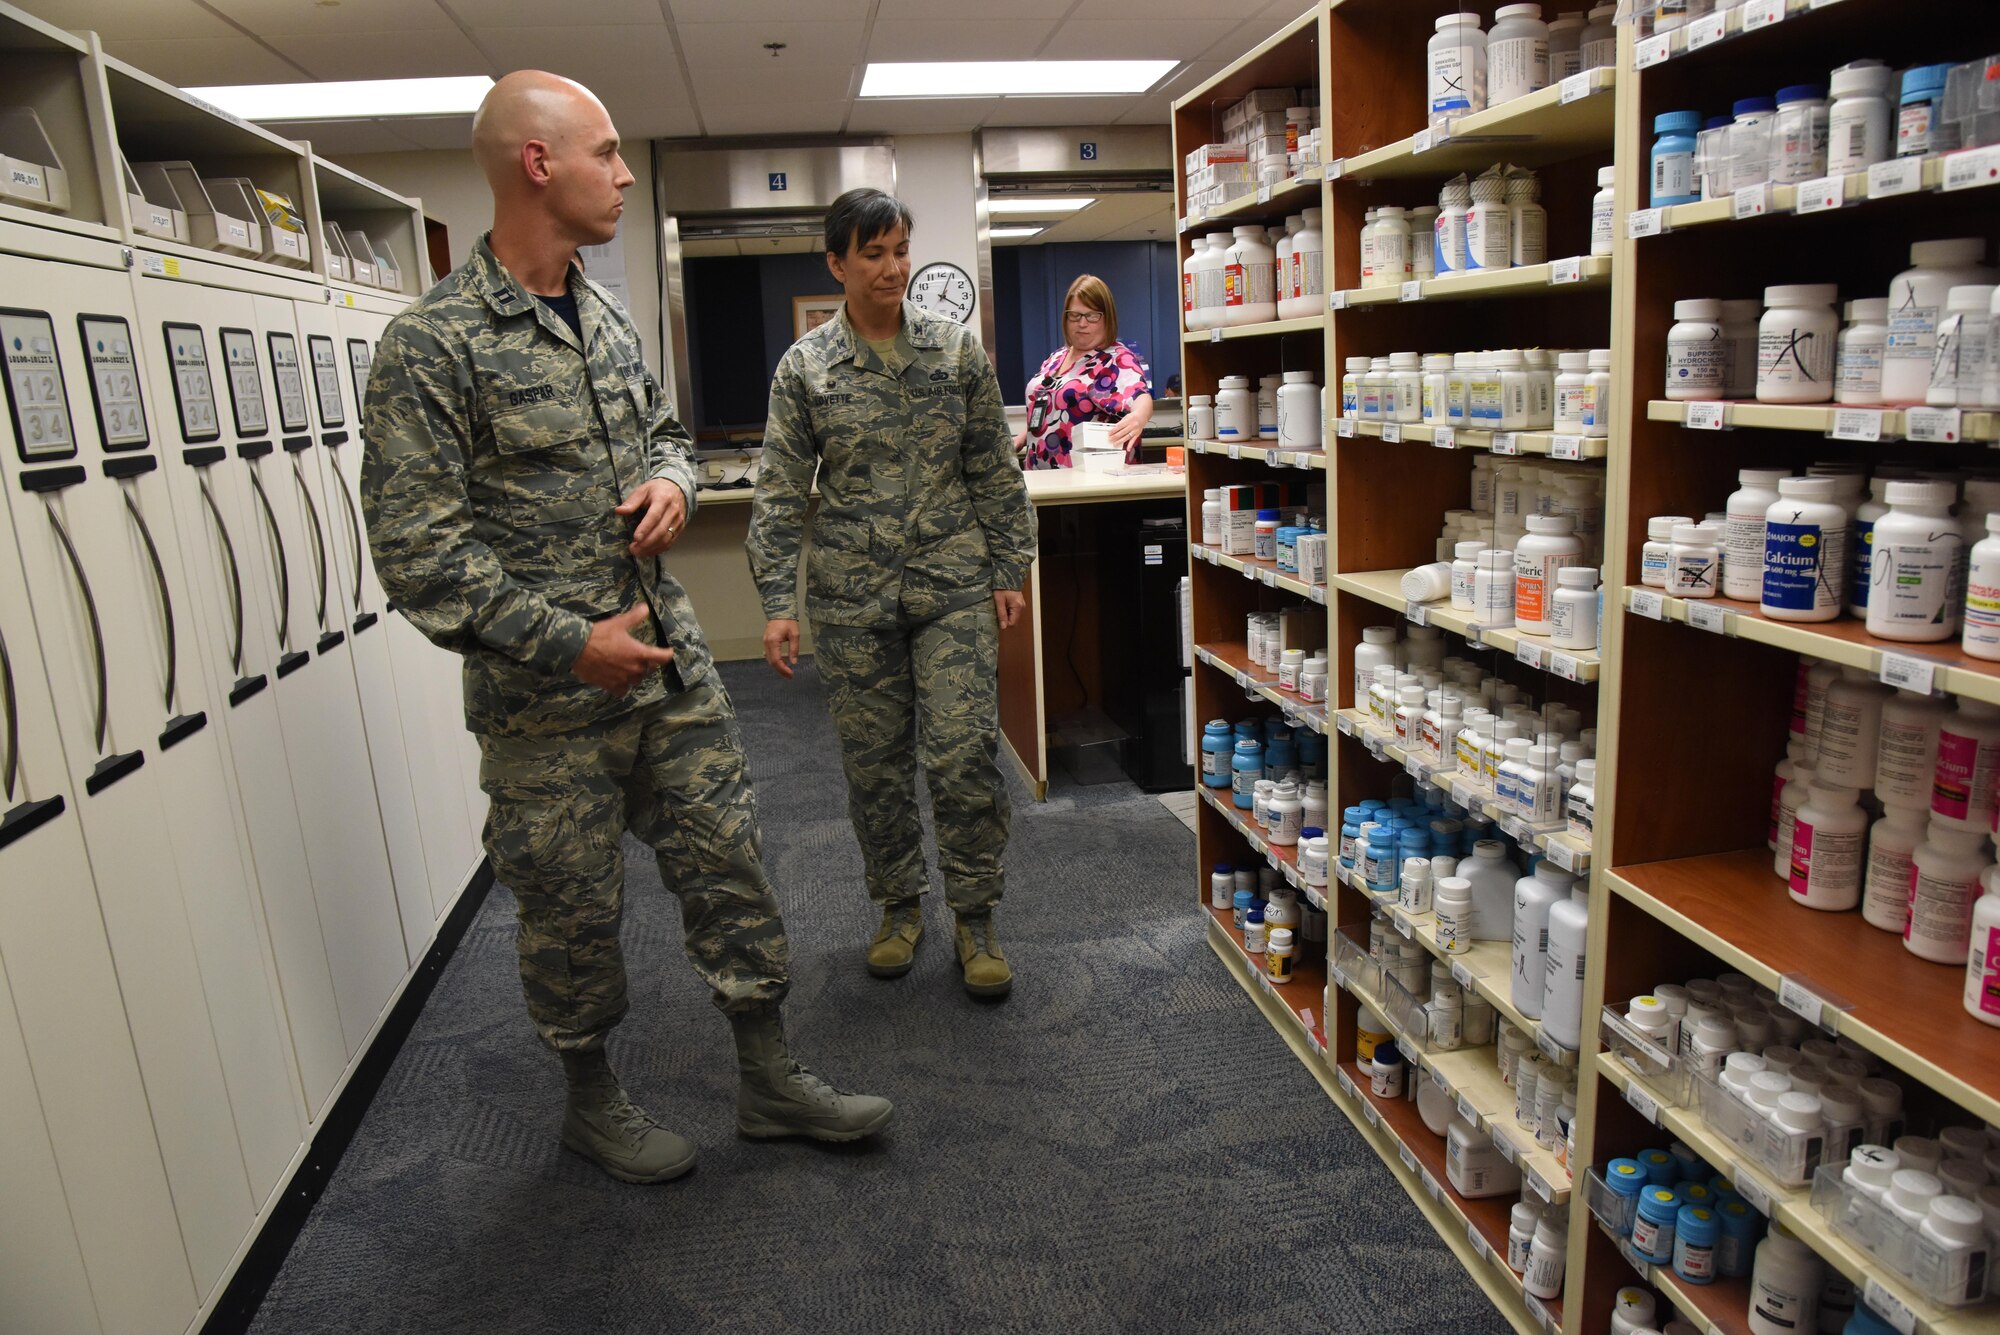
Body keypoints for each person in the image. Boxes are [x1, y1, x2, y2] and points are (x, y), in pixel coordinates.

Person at [360, 71, 890, 1186]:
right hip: (547, 701)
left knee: (730, 863)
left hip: (669, 668)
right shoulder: (431, 345)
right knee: (569, 909)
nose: (623, 171)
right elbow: (418, 555)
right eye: (604, 151)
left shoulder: (597, 312)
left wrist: (670, 484)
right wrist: (566, 641)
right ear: (537, 165)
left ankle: (766, 1077)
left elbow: (665, 432)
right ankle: (589, 1101)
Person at [749, 189, 1037, 998]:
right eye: (873, 253)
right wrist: (777, 599)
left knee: (960, 756)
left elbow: (992, 464)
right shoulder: (806, 369)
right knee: (875, 768)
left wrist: (1009, 567)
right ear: (838, 264)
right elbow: (778, 492)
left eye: (901, 249)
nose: (893, 268)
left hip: (951, 584)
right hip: (851, 598)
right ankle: (898, 907)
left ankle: (976, 916)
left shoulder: (954, 351)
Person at [1015, 274, 1154, 469]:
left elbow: (1140, 396)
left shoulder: (1116, 359)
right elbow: (1051, 411)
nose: (1082, 323)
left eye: (1092, 316)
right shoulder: (1057, 357)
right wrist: (1022, 437)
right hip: (1042, 478)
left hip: (1086, 481)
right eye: (1075, 315)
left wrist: (1139, 417)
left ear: (1107, 318)